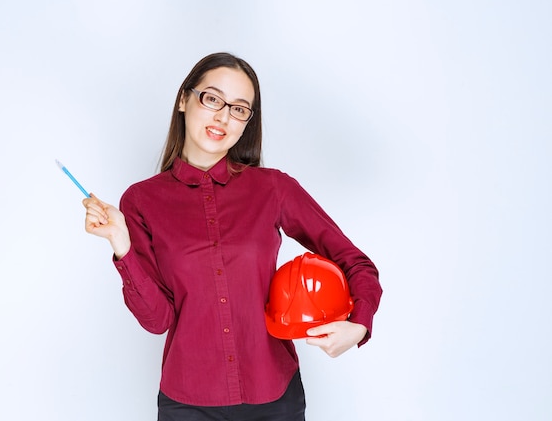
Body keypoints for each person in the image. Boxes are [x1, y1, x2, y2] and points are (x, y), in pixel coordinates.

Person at [82, 52, 382, 421]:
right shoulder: (142, 200)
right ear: (183, 99)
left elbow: (354, 262)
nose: (223, 116)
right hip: (188, 402)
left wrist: (359, 324)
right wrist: (121, 244)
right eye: (212, 99)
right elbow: (157, 320)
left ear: (247, 123)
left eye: (240, 109)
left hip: (275, 396)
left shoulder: (273, 189)